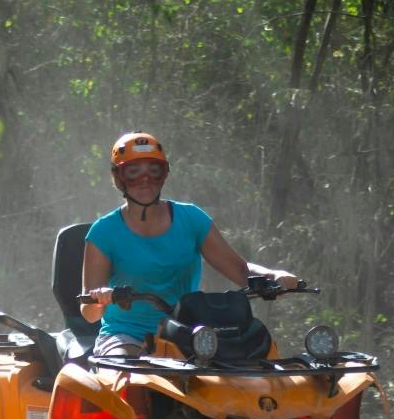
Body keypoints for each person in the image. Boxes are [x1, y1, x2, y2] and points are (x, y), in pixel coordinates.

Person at [79, 131, 301, 357]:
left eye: (153, 171)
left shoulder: (192, 219)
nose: (145, 180)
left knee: (245, 369)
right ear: (119, 178)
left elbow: (240, 269)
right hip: (127, 336)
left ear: (164, 175)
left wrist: (273, 276)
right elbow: (88, 311)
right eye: (134, 172)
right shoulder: (103, 232)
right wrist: (101, 299)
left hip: (188, 333)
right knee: (129, 374)